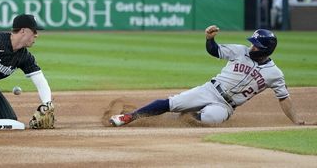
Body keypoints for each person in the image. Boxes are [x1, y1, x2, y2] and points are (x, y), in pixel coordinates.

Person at [110, 25, 315, 127]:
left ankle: (183, 116)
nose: (252, 46)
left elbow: (284, 99)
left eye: (256, 44)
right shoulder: (239, 51)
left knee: (207, 119)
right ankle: (129, 117)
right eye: (252, 42)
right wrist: (209, 39)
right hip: (209, 90)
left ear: (266, 50)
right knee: (170, 102)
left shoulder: (275, 74)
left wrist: (296, 120)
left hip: (225, 106)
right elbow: (214, 51)